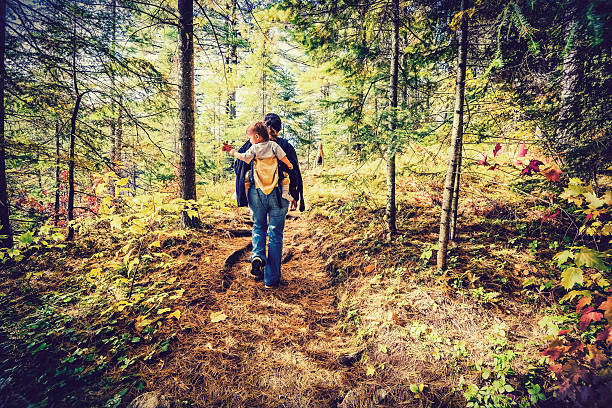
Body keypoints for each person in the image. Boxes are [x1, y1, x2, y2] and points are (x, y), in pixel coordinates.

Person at [233, 113, 304, 288]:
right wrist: (295, 195)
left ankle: (257, 256)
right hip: (280, 192)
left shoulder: (251, 145)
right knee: (275, 234)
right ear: (279, 129)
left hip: (255, 192)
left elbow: (238, 167)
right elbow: (294, 169)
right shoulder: (284, 145)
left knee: (258, 226)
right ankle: (271, 280)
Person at [225, 122, 294, 203]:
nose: (250, 141)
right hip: (273, 175)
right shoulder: (273, 145)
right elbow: (282, 156)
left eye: (250, 138)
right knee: (285, 176)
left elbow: (244, 157)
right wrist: (289, 164)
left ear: (257, 136)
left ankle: (245, 197)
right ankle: (285, 193)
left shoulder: (254, 148)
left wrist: (234, 153)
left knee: (246, 177)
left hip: (259, 176)